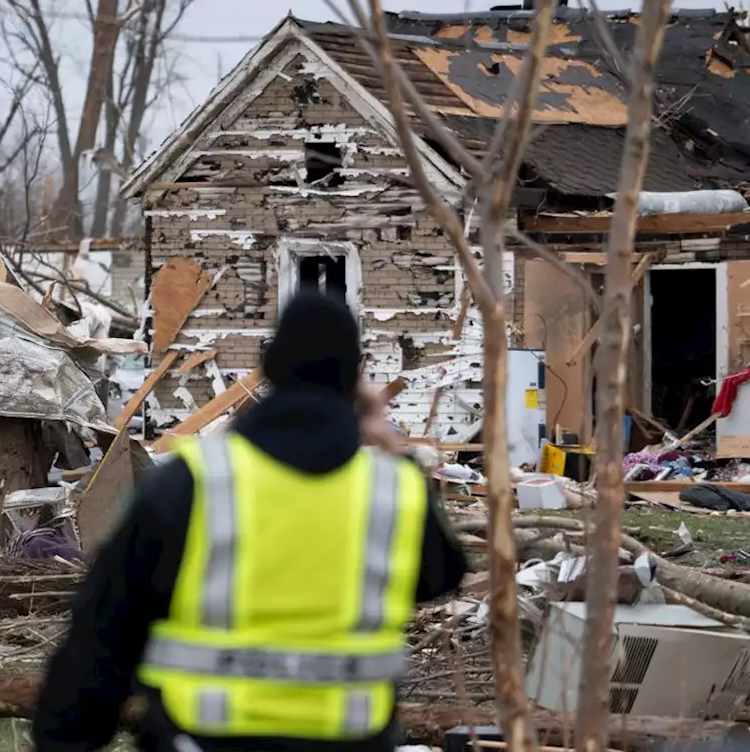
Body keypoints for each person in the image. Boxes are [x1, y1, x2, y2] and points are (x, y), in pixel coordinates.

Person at [33, 291, 467, 752]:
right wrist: (390, 446)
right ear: (354, 382)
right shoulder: (394, 493)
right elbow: (441, 575)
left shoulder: (193, 484)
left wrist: (68, 738)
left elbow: (102, 636)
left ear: (272, 367)